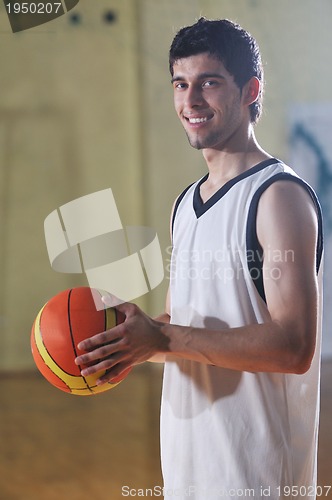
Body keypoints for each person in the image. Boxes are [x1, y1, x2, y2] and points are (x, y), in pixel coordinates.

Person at [75, 18, 323, 499]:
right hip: (189, 468)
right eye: (180, 84)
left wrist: (162, 335)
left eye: (209, 82)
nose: (190, 101)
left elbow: (294, 348)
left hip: (257, 478)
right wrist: (133, 338)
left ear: (250, 90)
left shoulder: (278, 196)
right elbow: (185, 323)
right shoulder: (185, 204)